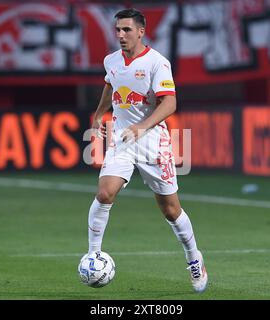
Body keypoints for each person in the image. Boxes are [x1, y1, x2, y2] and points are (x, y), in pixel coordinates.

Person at [85, 8, 208, 293]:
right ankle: (93, 254)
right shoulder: (111, 60)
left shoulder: (157, 63)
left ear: (141, 31)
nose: (120, 35)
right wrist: (99, 113)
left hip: (153, 141)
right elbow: (110, 83)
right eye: (118, 30)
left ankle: (194, 258)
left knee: (170, 209)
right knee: (105, 193)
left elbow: (169, 104)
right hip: (122, 139)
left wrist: (141, 127)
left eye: (127, 30)